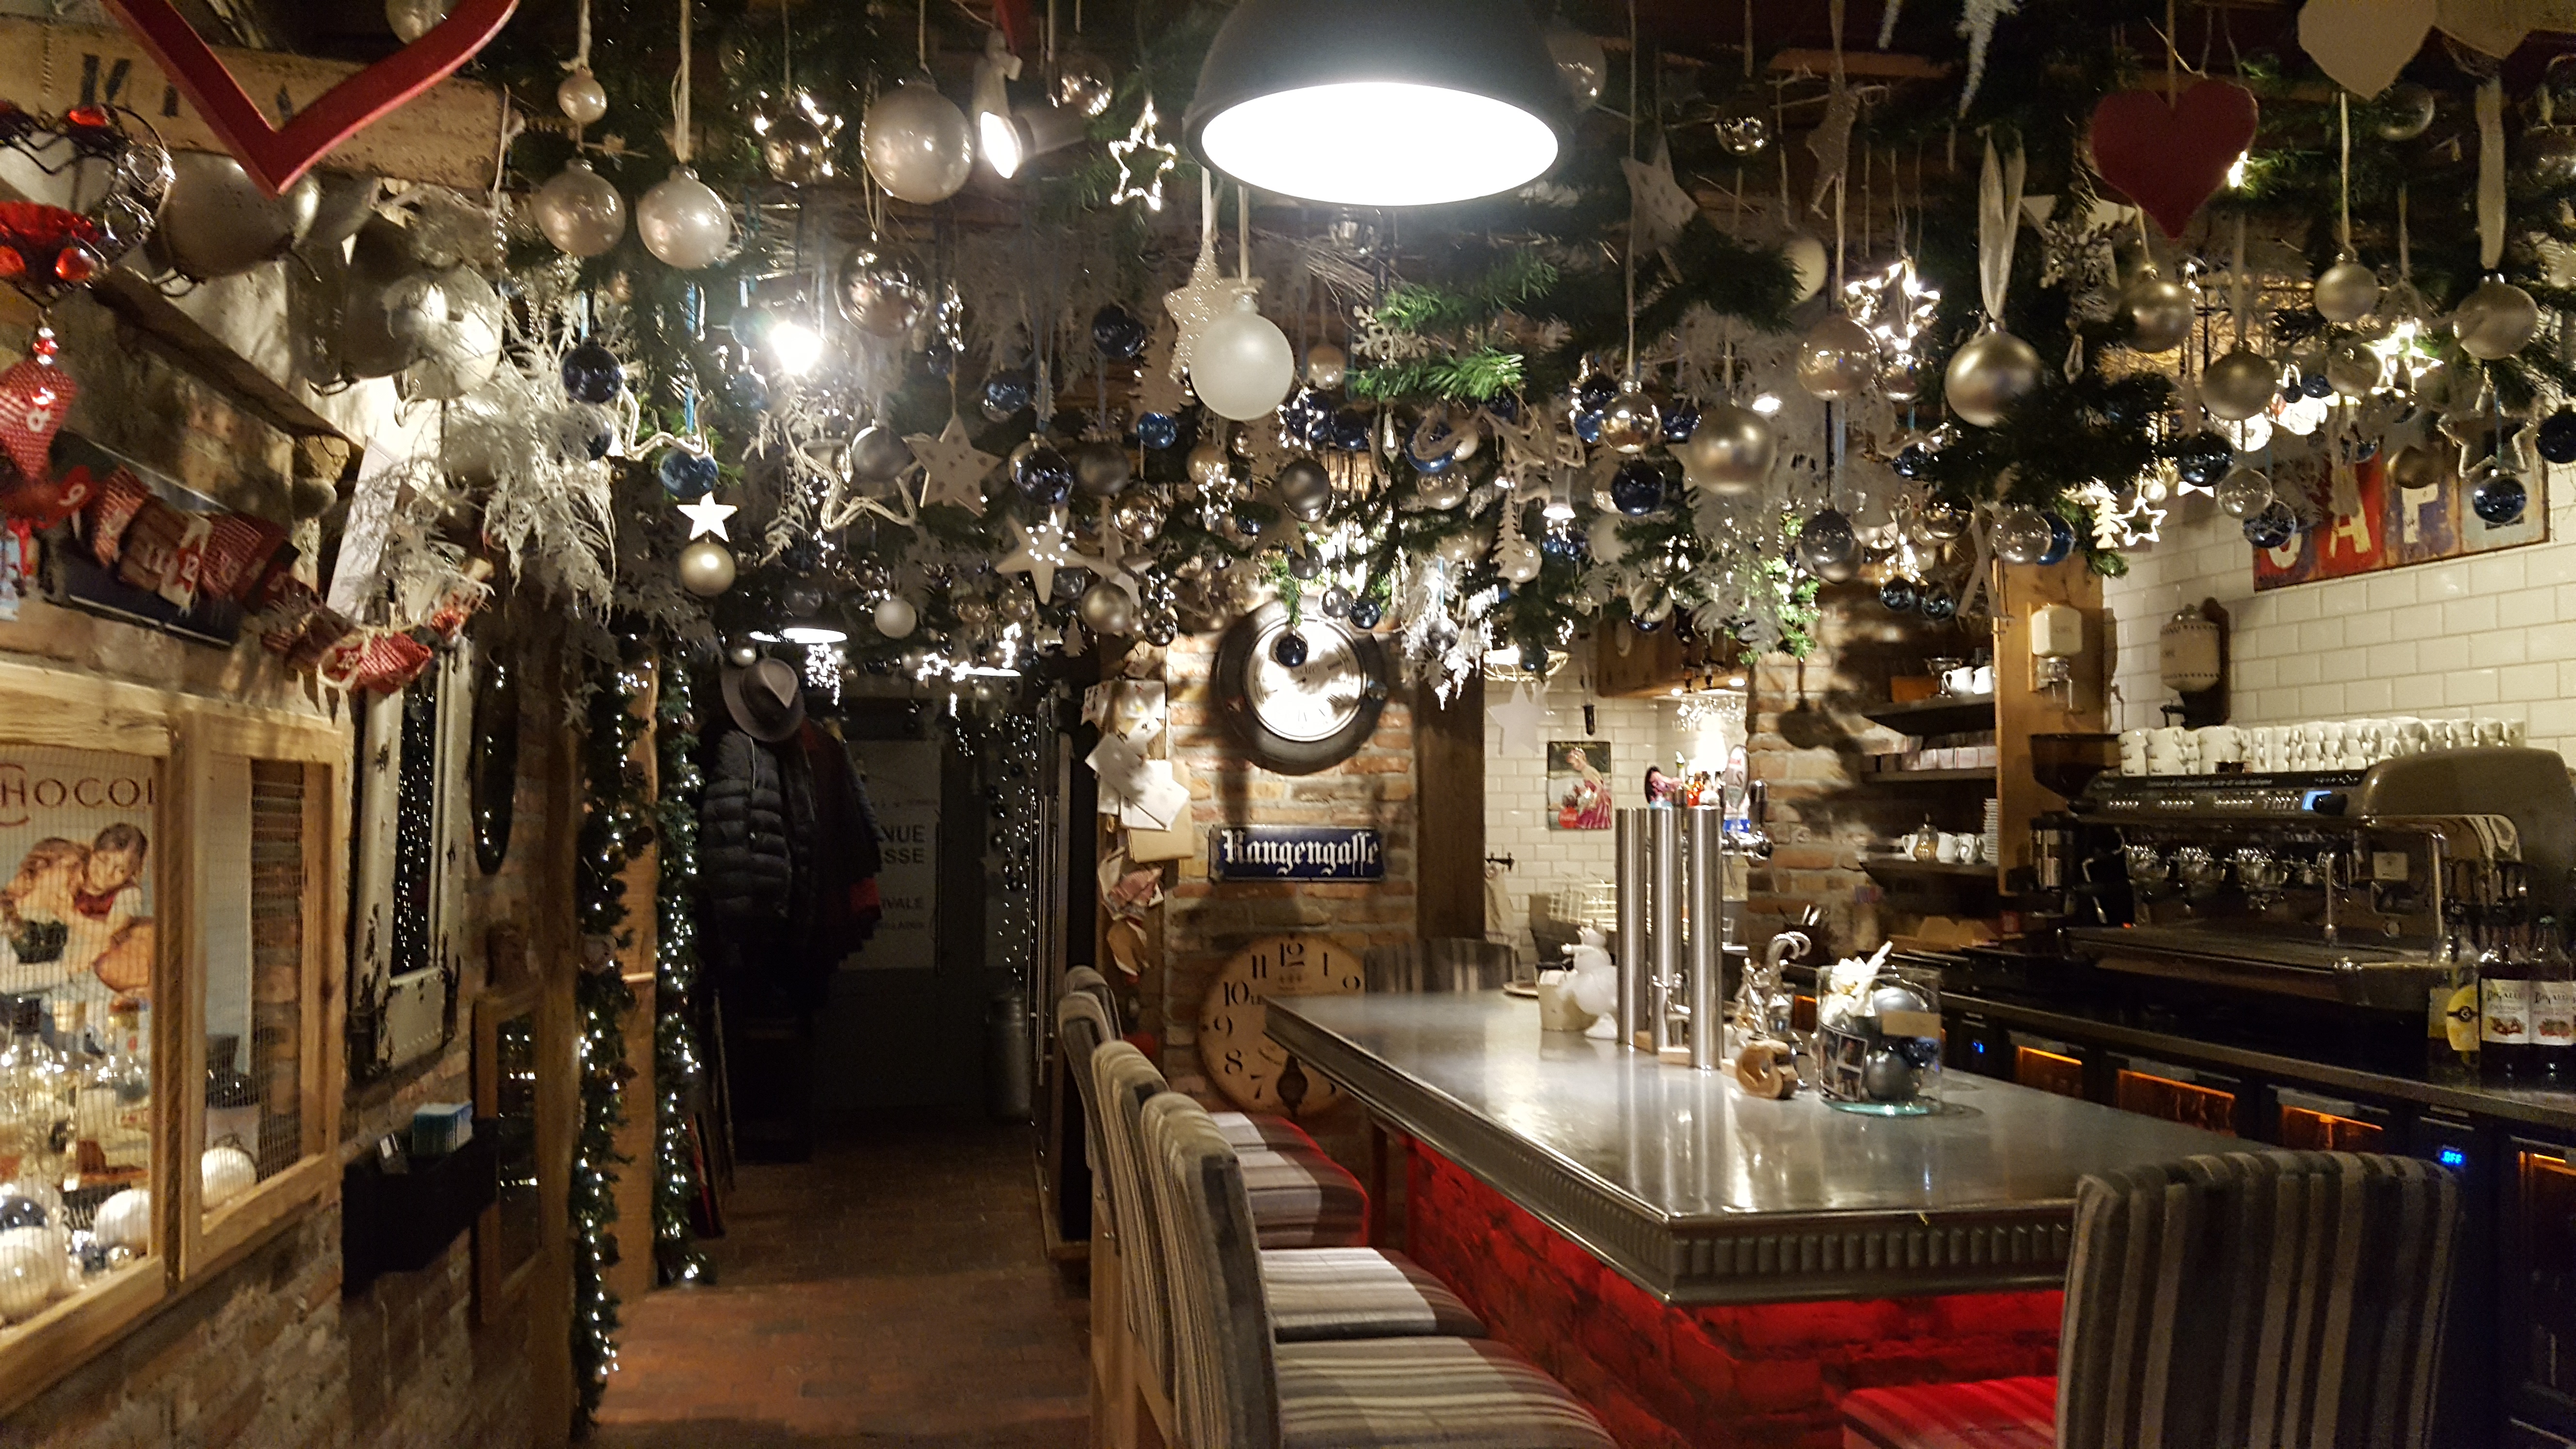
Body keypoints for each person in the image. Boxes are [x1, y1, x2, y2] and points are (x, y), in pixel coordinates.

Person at [1560, 746, 1613, 829]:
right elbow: (1594, 787)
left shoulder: (1587, 771)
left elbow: (1599, 787)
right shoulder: (1588, 769)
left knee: (1587, 821)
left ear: (1579, 761)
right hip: (1600, 798)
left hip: (1599, 800)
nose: (1573, 767)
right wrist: (1583, 790)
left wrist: (1594, 802)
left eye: (1573, 764)